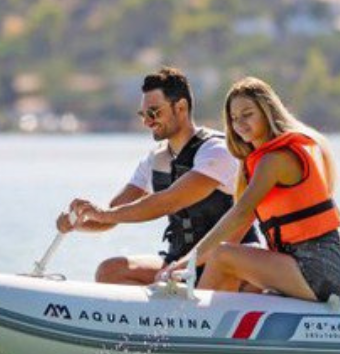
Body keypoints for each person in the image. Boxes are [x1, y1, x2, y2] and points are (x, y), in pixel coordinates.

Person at [163, 76, 340, 302]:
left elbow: (240, 212)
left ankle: (194, 323)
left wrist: (190, 259)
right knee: (240, 272)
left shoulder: (276, 159)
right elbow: (239, 227)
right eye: (234, 118)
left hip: (320, 269)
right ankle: (217, 329)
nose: (240, 124)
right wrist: (188, 265)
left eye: (248, 114)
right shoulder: (257, 164)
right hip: (311, 266)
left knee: (224, 255)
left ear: (267, 112)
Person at [57, 67, 243, 285]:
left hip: (222, 264)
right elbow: (114, 212)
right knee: (110, 271)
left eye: (154, 112)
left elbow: (166, 202)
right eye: (143, 114)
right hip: (179, 265)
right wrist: (78, 221)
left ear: (181, 107)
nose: (147, 121)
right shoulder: (156, 159)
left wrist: (103, 214)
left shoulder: (217, 151)